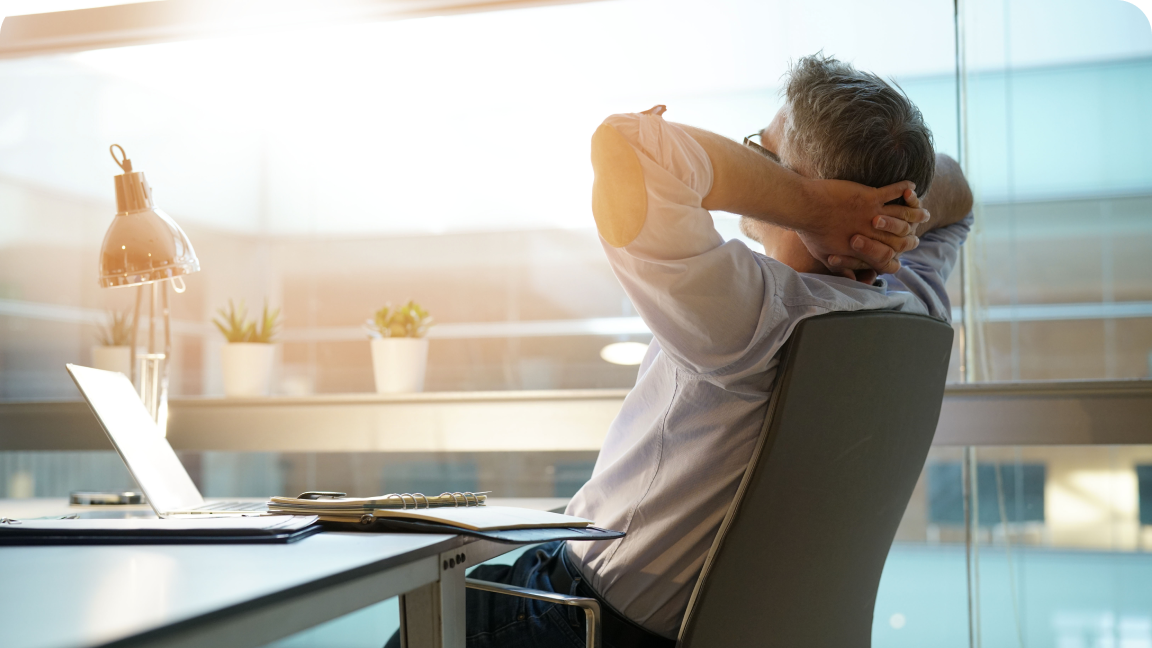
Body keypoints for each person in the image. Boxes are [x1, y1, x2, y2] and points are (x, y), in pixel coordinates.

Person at [389, 54, 974, 648]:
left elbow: (626, 146)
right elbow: (959, 190)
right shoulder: (912, 306)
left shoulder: (752, 313)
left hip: (587, 620)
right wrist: (884, 211)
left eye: (761, 153)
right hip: (693, 624)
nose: (756, 168)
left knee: (416, 623)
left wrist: (815, 206)